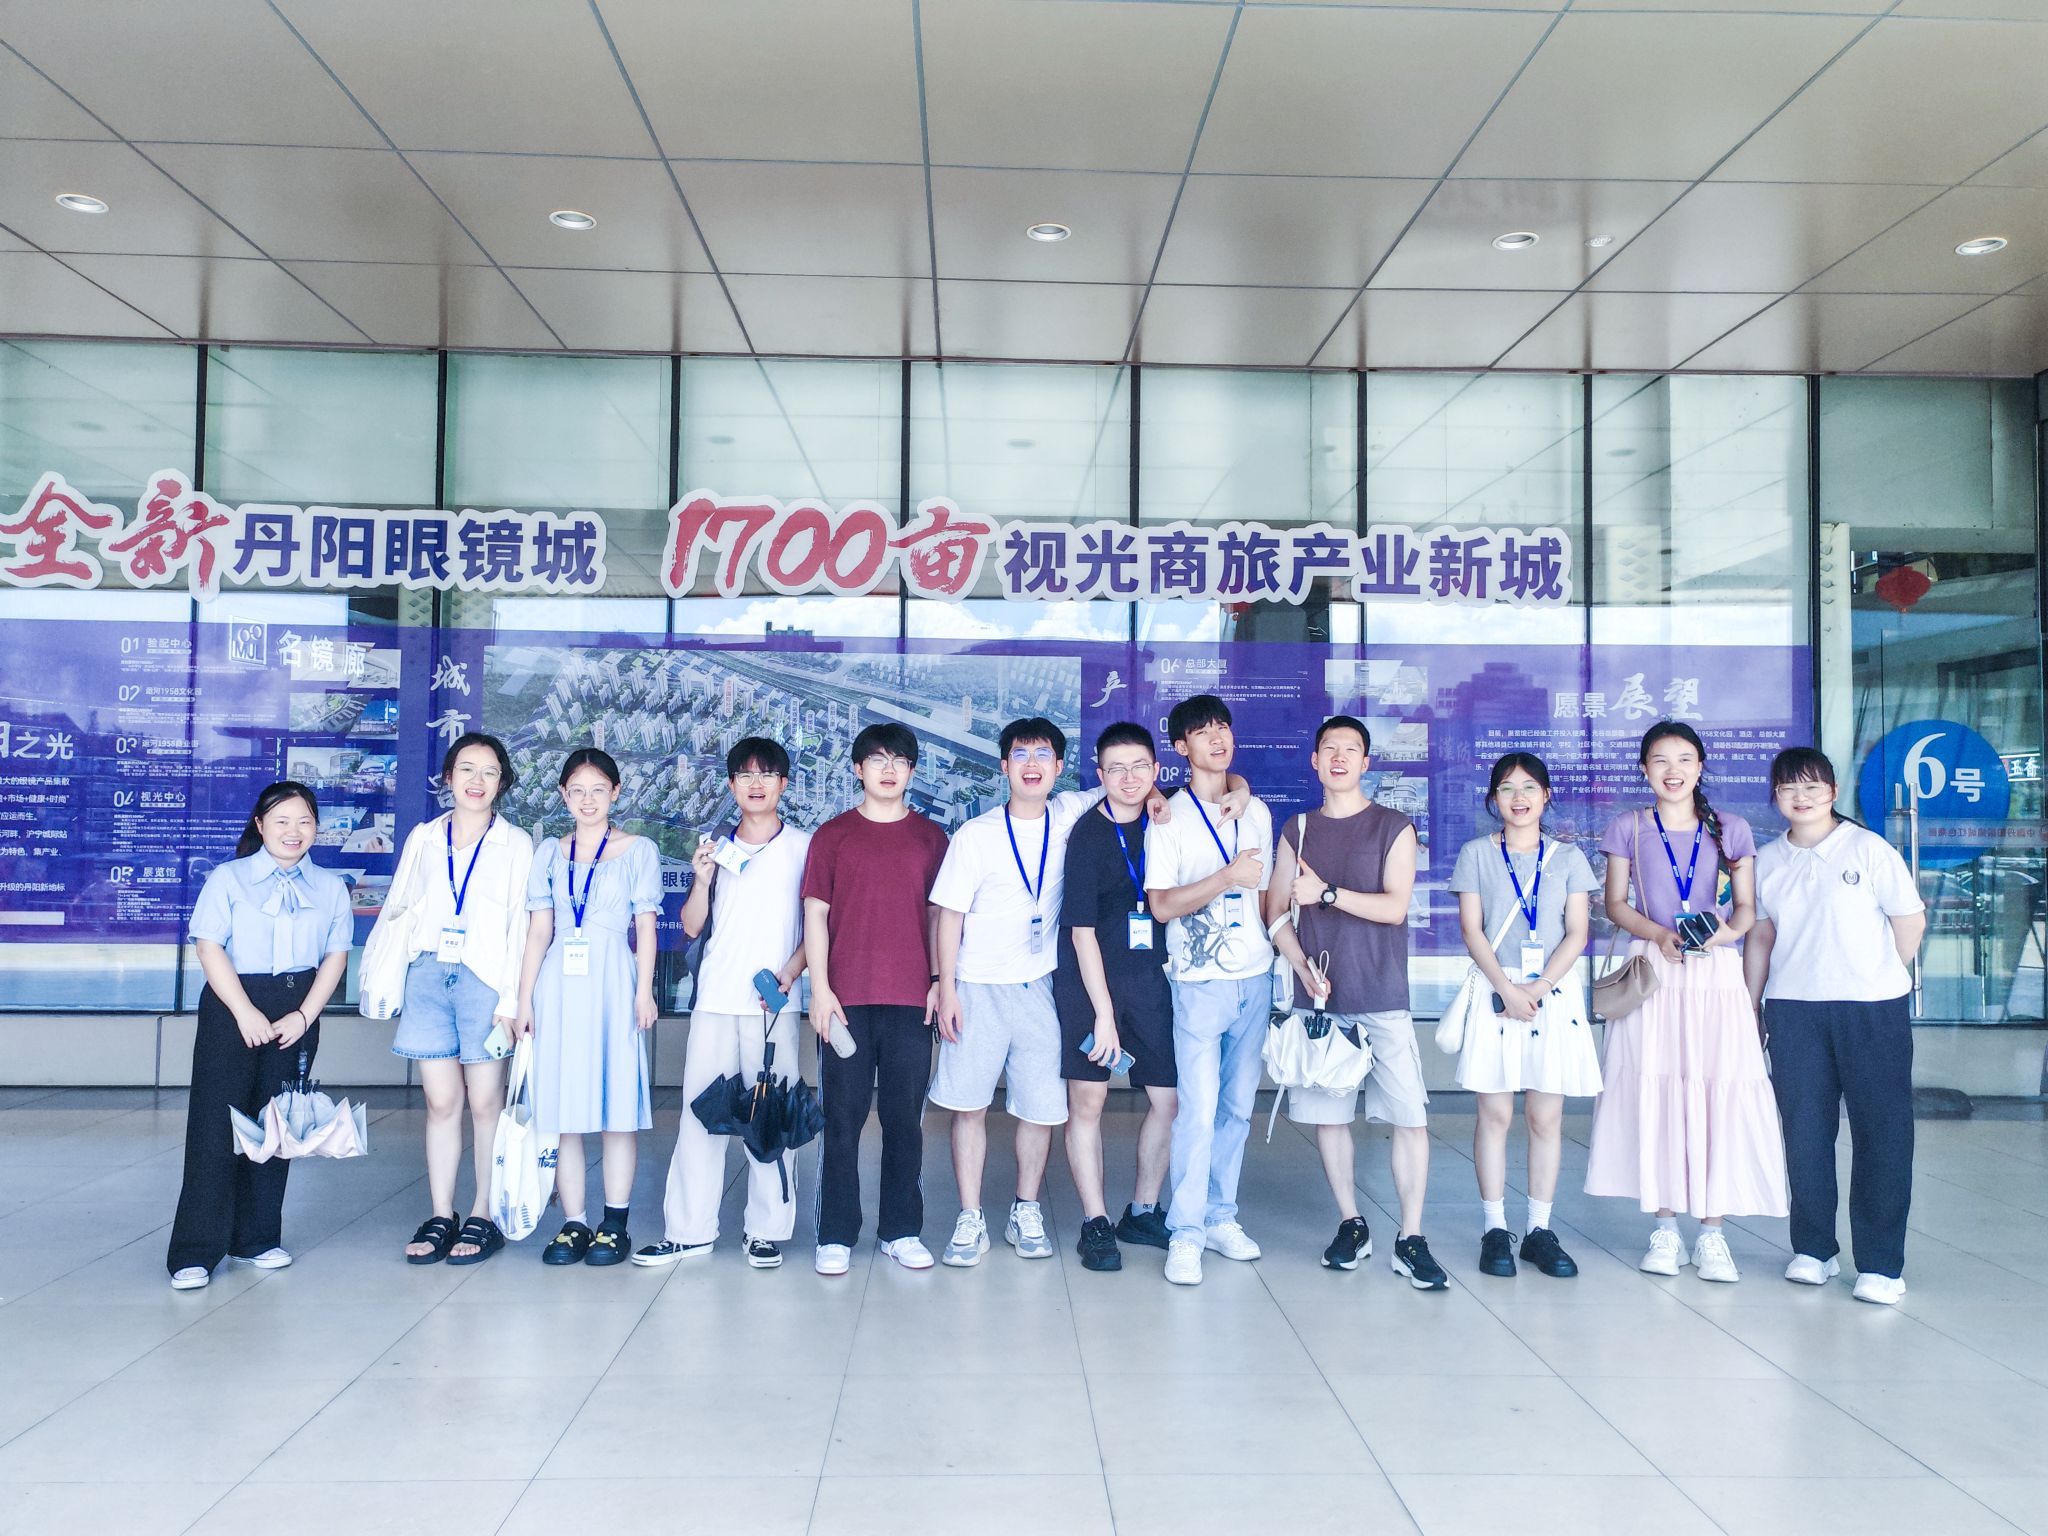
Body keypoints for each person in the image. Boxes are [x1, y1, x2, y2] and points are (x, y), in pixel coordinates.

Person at [1585, 721, 1788, 1282]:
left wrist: (1719, 936)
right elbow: (1616, 903)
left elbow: (1745, 910)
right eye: (1659, 760)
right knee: (1658, 1088)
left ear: (1700, 767)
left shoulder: (1730, 829)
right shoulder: (1628, 826)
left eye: (1683, 759)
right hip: (1654, 971)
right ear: (1644, 769)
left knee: (1714, 1088)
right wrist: (1659, 935)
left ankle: (1713, 1233)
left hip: (1714, 974)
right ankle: (1666, 1227)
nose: (1672, 771)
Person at [1267, 716, 1447, 1290]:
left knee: (1409, 1117)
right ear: (1315, 761)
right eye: (1329, 748)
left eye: (1351, 749)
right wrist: (1302, 968)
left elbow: (1394, 908)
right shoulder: (1296, 829)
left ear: (1366, 763)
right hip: (1321, 1001)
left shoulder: (1393, 826)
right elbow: (1274, 912)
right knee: (1330, 1118)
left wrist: (1325, 893)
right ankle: (1352, 1222)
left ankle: (1411, 1236)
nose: (1339, 757)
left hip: (1381, 992)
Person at [1745, 747, 1926, 1305]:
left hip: (1871, 1009)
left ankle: (1881, 1265)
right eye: (1788, 788)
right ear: (1776, 796)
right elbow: (1761, 937)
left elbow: (1909, 922)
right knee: (1804, 1133)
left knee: (1882, 1134)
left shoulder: (1868, 849)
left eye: (1812, 787)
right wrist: (1751, 1006)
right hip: (1794, 1009)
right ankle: (1813, 1249)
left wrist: (1876, 977)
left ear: (1833, 792)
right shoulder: (1766, 861)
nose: (1800, 797)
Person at [168, 781, 352, 1290]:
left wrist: (305, 1015)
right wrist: (244, 1011)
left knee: (276, 1126)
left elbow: (335, 956)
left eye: (305, 822)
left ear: (316, 828)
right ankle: (195, 1251)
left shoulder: (330, 887)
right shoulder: (229, 879)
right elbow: (209, 947)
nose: (294, 831)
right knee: (216, 1126)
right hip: (234, 1005)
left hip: (296, 1011)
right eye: (282, 821)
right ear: (260, 825)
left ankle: (255, 1239)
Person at [636, 737, 811, 1270]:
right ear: (732, 785)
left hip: (773, 1006)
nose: (757, 784)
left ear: (783, 784)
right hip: (715, 998)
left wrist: (789, 974)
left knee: (771, 1117)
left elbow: (820, 928)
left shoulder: (805, 848)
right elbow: (691, 926)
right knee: (699, 1115)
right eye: (746, 775)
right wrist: (701, 880)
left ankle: (767, 1230)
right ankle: (688, 1231)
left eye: (767, 774)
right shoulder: (715, 849)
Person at [378, 732, 534, 1266]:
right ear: (448, 777)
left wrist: (512, 1000)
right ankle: (441, 1214)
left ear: (502, 782)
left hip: (486, 985)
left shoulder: (516, 844)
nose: (476, 781)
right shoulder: (424, 838)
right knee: (441, 1103)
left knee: (486, 1103)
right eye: (466, 769)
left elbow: (520, 928)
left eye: (489, 771)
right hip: (428, 977)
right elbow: (399, 907)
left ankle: (483, 1214)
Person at [1446, 751, 1602, 1281]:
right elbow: (1471, 930)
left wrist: (1537, 987)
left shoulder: (1569, 858)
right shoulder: (1476, 854)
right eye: (1508, 788)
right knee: (1494, 1115)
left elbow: (1577, 932)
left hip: (1550, 993)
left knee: (1545, 1117)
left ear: (1546, 795)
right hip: (1497, 991)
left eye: (1530, 787)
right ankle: (1495, 1228)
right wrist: (1507, 989)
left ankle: (1539, 1229)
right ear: (1494, 798)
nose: (1519, 798)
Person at [802, 722, 951, 1277]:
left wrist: (939, 980)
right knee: (841, 1119)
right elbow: (815, 915)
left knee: (903, 1120)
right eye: (877, 759)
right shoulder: (832, 836)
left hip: (912, 1000)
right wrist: (820, 989)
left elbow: (939, 917)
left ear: (911, 771)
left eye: (900, 761)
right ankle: (836, 1233)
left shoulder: (931, 839)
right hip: (846, 1002)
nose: (889, 769)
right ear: (857, 769)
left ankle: (901, 1230)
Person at [511, 748, 661, 1268]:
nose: (588, 799)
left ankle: (614, 1224)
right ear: (563, 795)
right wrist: (524, 999)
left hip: (615, 981)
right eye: (577, 790)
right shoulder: (549, 853)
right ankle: (574, 1221)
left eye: (598, 789)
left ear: (615, 793)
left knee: (617, 1108)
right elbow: (539, 931)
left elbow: (645, 927)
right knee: (563, 1110)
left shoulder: (639, 850)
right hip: (557, 985)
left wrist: (645, 991)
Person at [1146, 694, 1275, 1287]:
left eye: (1223, 727)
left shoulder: (1256, 811)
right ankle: (1186, 1232)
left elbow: (1266, 898)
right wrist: (1226, 876)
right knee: (1197, 1112)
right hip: (1198, 983)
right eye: (1202, 732)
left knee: (1237, 1109)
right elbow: (1162, 905)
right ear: (1181, 747)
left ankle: (1221, 1216)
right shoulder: (1168, 818)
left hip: (1255, 975)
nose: (1217, 738)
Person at [1057, 723, 1179, 1272]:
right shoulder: (1087, 835)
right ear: (1100, 774)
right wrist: (1103, 1015)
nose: (1129, 779)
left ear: (1157, 770)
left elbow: (1229, 786)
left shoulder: (1167, 816)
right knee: (1088, 1102)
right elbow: (1081, 932)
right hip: (1089, 985)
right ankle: (1096, 1221)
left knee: (1167, 1101)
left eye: (1139, 768)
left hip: (1149, 980)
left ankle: (1143, 1210)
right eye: (1116, 769)